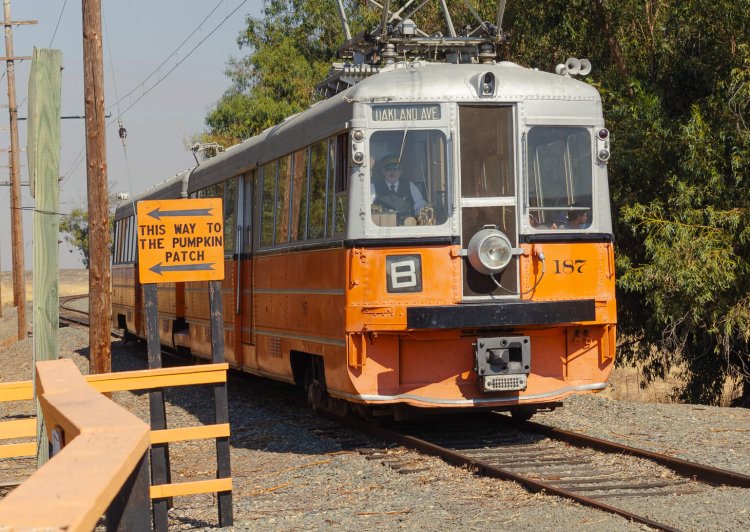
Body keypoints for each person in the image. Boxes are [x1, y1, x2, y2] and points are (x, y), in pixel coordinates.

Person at [371, 154, 427, 224]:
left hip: (407, 227)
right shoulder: (374, 187)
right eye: (388, 169)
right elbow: (368, 207)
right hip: (384, 227)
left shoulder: (410, 185)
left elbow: (420, 205)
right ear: (383, 171)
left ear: (401, 171)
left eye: (396, 169)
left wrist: (417, 218)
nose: (392, 172)